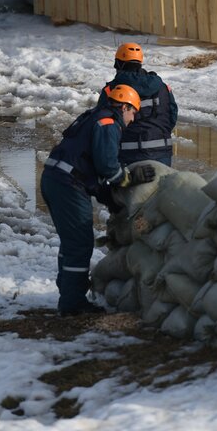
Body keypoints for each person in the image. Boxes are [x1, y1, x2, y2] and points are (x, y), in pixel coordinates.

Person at [40, 85, 156, 316]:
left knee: (71, 242)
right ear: (124, 107)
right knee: (80, 243)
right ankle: (73, 304)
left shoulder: (93, 117)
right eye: (133, 112)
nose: (133, 119)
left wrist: (107, 197)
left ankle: (68, 292)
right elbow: (108, 167)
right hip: (68, 186)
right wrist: (130, 178)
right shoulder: (108, 123)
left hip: (54, 179)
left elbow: (90, 166)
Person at [98, 43, 178, 166]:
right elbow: (172, 117)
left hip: (127, 156)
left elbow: (102, 125)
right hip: (162, 155)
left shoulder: (111, 91)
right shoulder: (163, 87)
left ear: (118, 64)